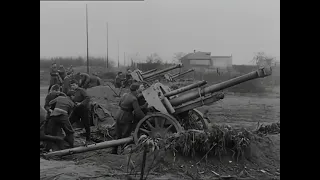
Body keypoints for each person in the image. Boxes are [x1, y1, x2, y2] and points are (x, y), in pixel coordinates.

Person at [111, 83, 146, 154]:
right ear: (136, 90)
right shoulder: (134, 99)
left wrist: (143, 106)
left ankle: (114, 150)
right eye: (140, 88)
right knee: (125, 133)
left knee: (118, 132)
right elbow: (137, 111)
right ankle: (123, 151)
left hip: (119, 113)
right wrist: (145, 118)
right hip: (126, 116)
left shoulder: (125, 95)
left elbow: (120, 104)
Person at [68, 79, 92, 145]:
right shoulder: (73, 92)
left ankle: (88, 139)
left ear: (77, 84)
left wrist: (81, 103)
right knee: (69, 121)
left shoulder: (82, 90)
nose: (72, 86)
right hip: (76, 109)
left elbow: (88, 98)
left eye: (73, 85)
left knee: (86, 124)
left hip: (84, 109)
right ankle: (68, 137)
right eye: (71, 85)